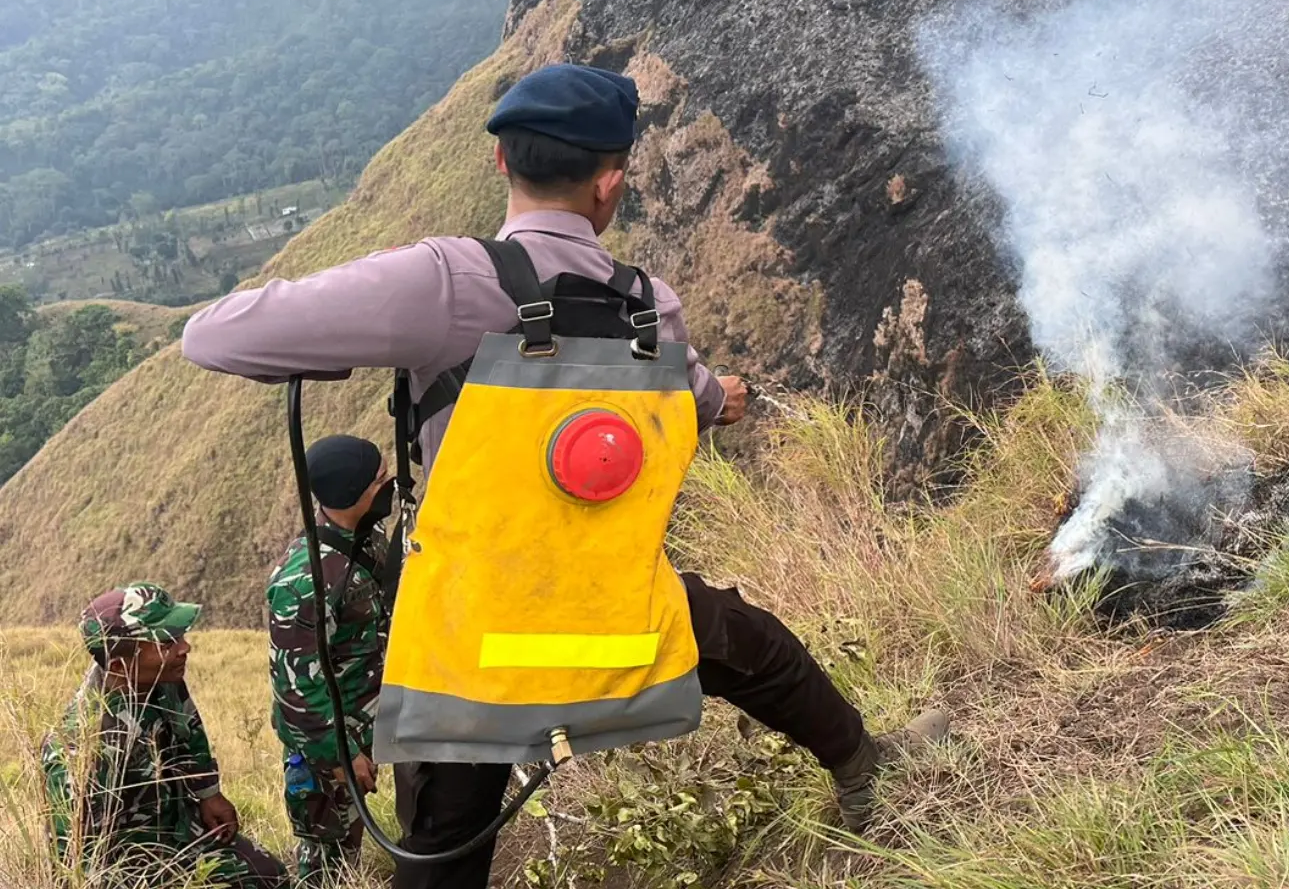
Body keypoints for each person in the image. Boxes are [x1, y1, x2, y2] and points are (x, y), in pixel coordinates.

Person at [181, 62, 948, 888]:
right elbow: (688, 403)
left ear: (501, 163)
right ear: (611, 183)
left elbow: (212, 337)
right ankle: (863, 764)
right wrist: (722, 397)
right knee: (736, 635)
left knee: (443, 835)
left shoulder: (440, 282)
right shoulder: (652, 308)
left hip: (470, 637)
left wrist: (351, 350)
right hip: (606, 615)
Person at [41, 582, 289, 889]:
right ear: (121, 665)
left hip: (176, 832)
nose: (184, 647)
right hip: (126, 867)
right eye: (167, 642)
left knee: (270, 878)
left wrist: (208, 793)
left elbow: (189, 729)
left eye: (180, 635)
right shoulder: (84, 746)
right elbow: (76, 863)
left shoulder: (163, 678)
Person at [267, 434, 396, 886]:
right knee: (328, 859)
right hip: (328, 743)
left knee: (352, 846)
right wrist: (339, 755)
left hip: (369, 721)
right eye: (380, 477)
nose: (389, 482)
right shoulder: (304, 580)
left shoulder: (368, 537)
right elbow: (295, 692)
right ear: (353, 493)